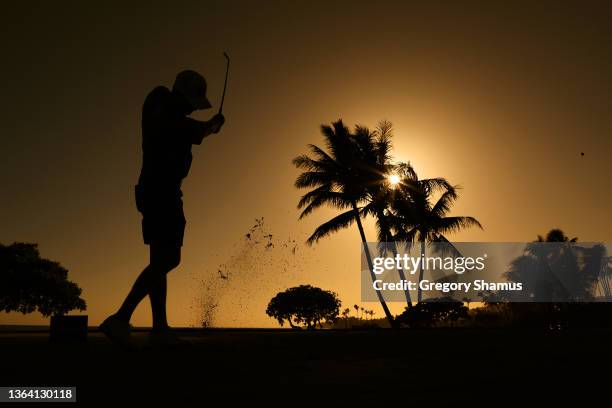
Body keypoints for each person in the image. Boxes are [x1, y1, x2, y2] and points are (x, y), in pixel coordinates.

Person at [100, 70, 225, 346]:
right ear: (180, 95)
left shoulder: (174, 116)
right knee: (166, 259)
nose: (194, 107)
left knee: (161, 259)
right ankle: (121, 318)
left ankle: (157, 327)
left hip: (165, 192)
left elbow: (190, 129)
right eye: (192, 101)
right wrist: (212, 125)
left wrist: (208, 127)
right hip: (159, 192)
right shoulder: (161, 103)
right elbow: (190, 129)